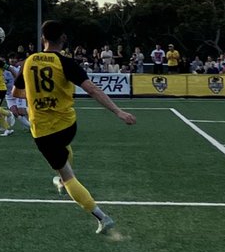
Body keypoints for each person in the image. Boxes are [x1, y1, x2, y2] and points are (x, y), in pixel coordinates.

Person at [13, 19, 136, 235]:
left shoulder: (29, 61)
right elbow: (93, 90)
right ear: (63, 39)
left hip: (43, 131)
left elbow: (16, 93)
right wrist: (118, 112)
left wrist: (35, 96)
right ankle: (60, 179)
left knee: (68, 176)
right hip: (68, 125)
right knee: (63, 151)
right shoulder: (66, 63)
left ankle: (101, 216)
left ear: (43, 39)